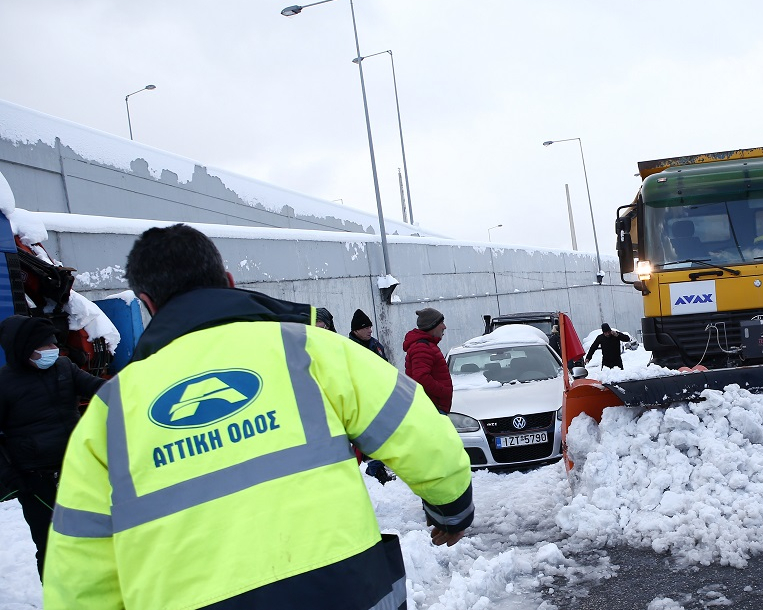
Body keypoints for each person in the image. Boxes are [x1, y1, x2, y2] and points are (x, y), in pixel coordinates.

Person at [43, 224, 473, 610]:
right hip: (342, 589)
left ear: (147, 304)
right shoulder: (308, 349)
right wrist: (451, 510)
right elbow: (418, 430)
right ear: (228, 281)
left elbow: (79, 569)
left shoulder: (110, 410)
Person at [0, 315, 105, 580]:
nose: (52, 350)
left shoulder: (64, 367)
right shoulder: (4, 383)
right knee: (51, 545)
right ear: (24, 349)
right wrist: (11, 478)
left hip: (77, 468)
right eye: (45, 346)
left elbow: (99, 389)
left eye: (53, 344)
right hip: (36, 480)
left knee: (94, 536)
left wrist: (132, 388)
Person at [403, 307, 452, 415]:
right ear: (432, 326)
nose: (444, 327)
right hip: (432, 408)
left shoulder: (427, 346)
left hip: (432, 406)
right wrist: (444, 392)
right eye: (441, 323)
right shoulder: (422, 347)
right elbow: (421, 378)